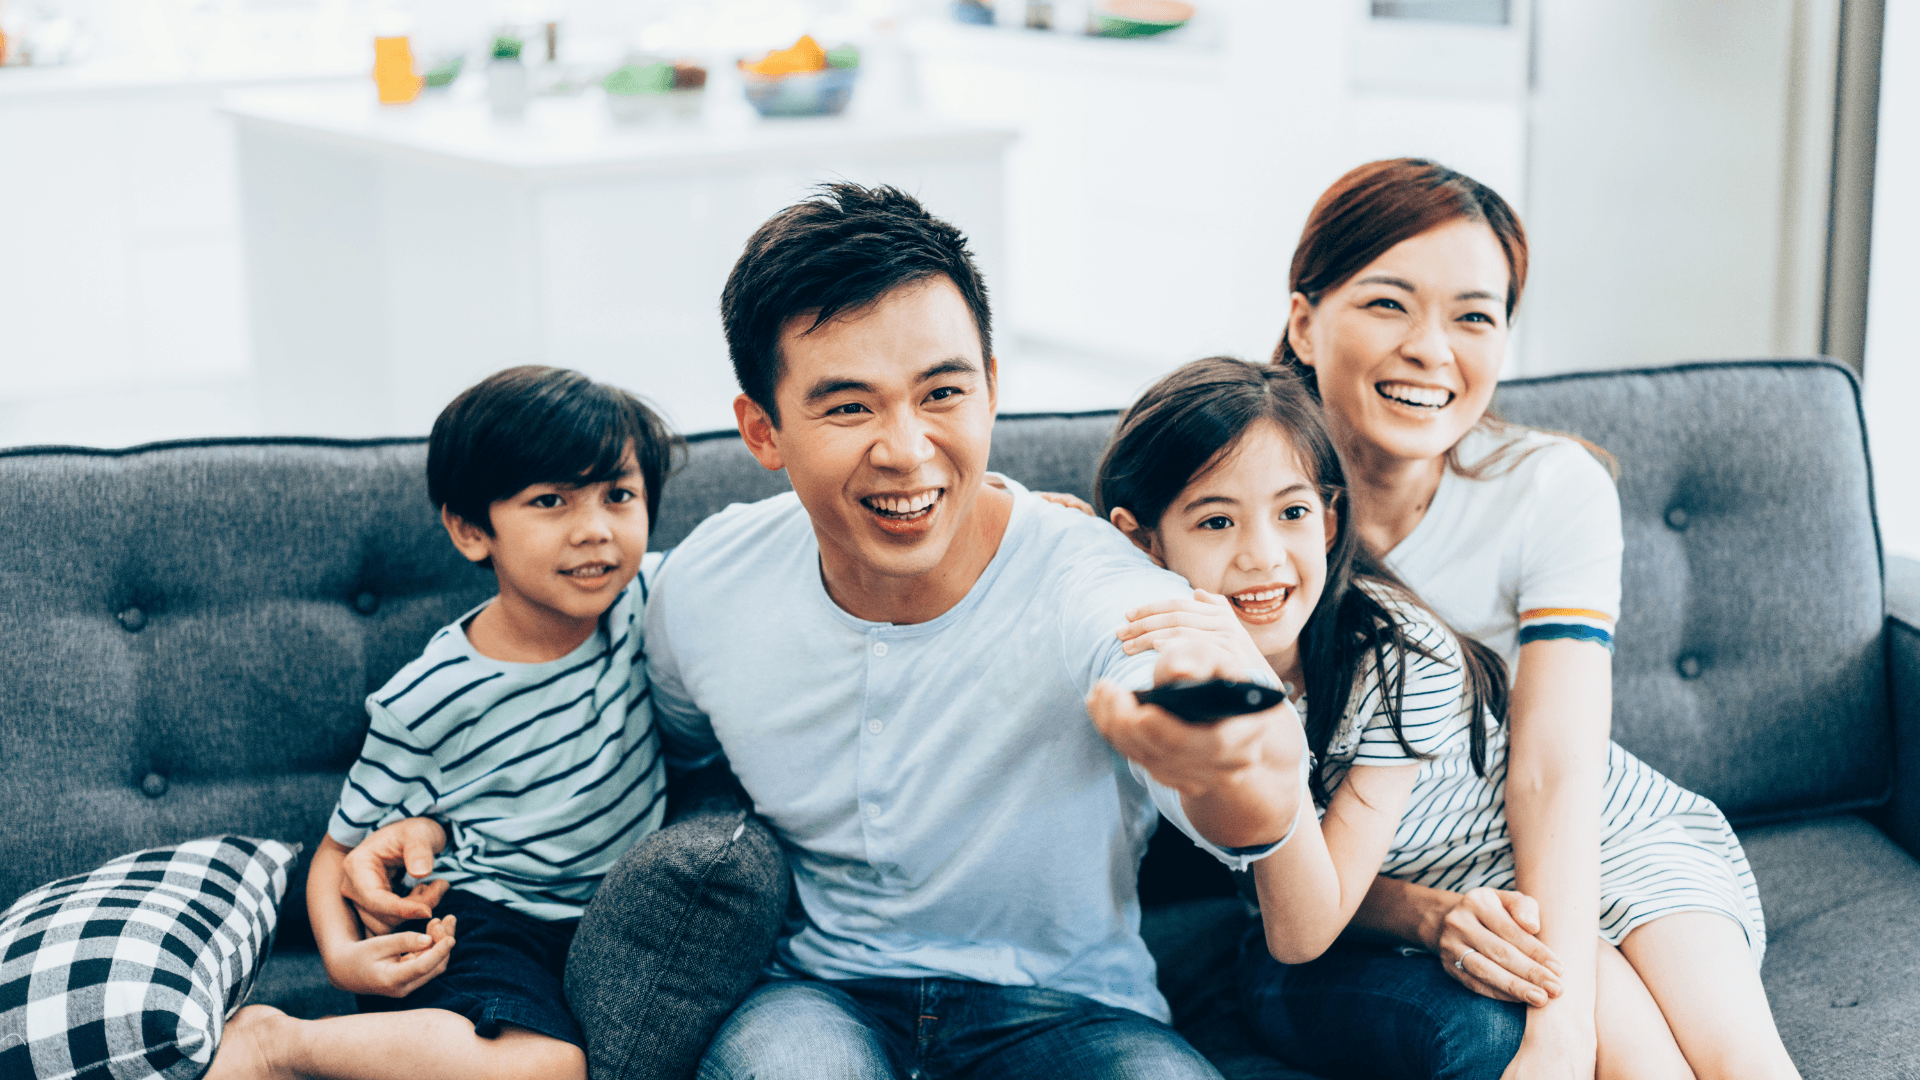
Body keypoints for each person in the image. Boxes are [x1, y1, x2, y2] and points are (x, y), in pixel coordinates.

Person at [651, 181, 1310, 1080]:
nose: (907, 449)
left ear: (993, 389)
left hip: (1072, 1009)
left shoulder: (1093, 580)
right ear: (763, 430)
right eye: (849, 407)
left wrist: (1234, 763)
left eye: (942, 393)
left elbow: (1215, 767)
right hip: (821, 995)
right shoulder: (702, 588)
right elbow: (674, 753)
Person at [1211, 157, 1795, 1079]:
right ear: (1304, 322)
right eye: (1389, 303)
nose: (1431, 349)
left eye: (1474, 316)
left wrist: (1559, 1031)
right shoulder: (1239, 515)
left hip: (1612, 828)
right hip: (1431, 879)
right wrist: (1433, 917)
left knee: (1745, 1065)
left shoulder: (1550, 486)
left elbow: (1555, 769)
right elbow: (1262, 850)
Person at [1096, 355, 1790, 1080]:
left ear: (1330, 522)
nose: (1262, 556)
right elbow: (1300, 925)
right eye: (1216, 520)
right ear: (1144, 542)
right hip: (1493, 895)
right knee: (1645, 1067)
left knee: (1742, 1061)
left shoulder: (1400, 655)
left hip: (1627, 840)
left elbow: (1317, 904)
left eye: (1293, 512)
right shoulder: (1161, 679)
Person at [208, 366, 678, 1080]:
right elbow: (338, 853)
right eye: (550, 501)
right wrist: (343, 960)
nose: (594, 531)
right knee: (549, 1069)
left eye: (619, 495)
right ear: (469, 530)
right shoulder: (433, 694)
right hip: (478, 917)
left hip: (605, 919)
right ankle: (276, 1044)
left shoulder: (651, 600)